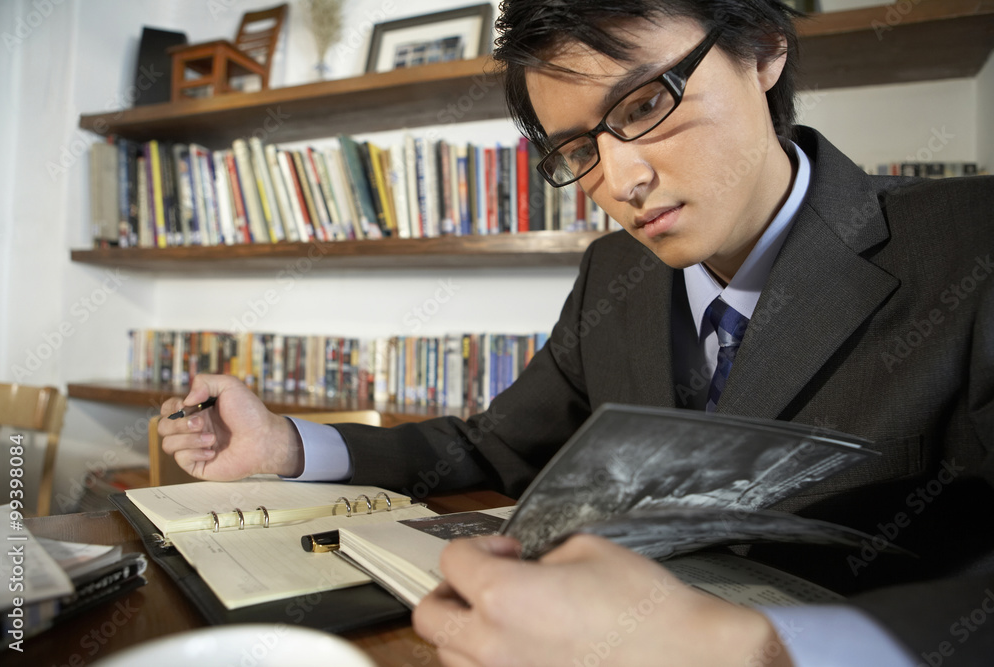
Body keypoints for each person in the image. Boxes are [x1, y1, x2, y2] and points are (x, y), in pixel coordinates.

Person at [159, 1, 994, 664]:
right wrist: (287, 448)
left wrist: (757, 652)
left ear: (765, 50)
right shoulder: (614, 273)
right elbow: (490, 448)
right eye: (578, 150)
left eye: (645, 104)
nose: (623, 179)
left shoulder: (973, 242)